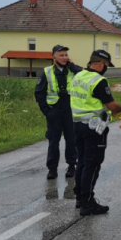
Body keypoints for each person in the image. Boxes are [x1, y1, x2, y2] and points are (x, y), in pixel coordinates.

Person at [70, 49, 121, 216]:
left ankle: (79, 198)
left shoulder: (78, 76)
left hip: (77, 124)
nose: (106, 68)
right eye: (106, 65)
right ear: (101, 64)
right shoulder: (99, 80)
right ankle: (88, 203)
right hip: (93, 127)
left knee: (82, 162)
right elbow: (112, 105)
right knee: (92, 164)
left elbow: (89, 100)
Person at [34, 45, 83, 180]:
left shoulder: (73, 70)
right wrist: (46, 111)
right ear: (54, 57)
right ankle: (52, 169)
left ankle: (72, 166)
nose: (64, 57)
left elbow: (85, 76)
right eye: (61, 55)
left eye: (66, 55)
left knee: (71, 139)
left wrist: (72, 65)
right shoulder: (47, 71)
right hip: (54, 110)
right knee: (53, 140)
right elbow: (39, 92)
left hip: (70, 109)